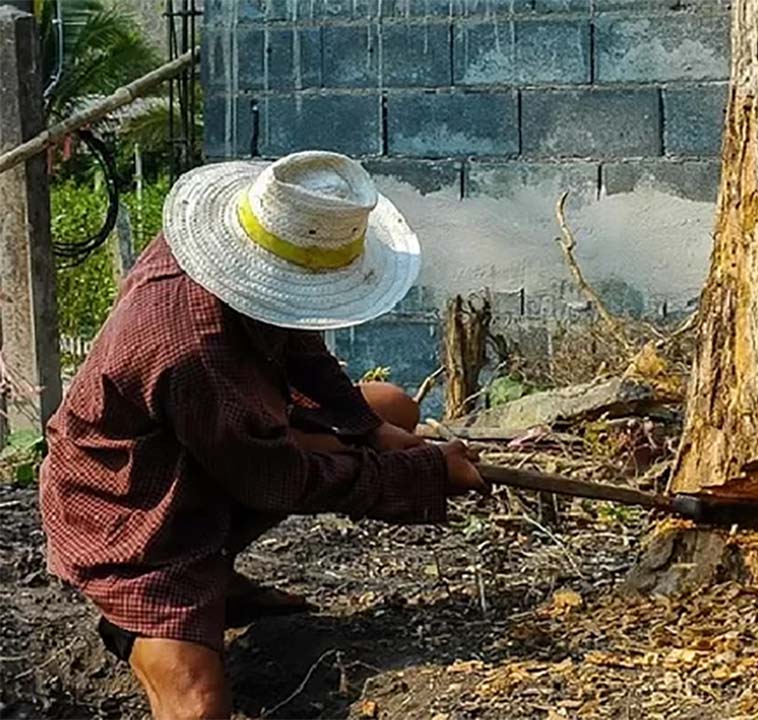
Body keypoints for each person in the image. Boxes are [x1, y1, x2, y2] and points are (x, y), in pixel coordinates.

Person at [39, 151, 488, 719]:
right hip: (132, 509)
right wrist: (425, 473)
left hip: (208, 446)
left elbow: (297, 339)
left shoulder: (231, 258)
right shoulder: (192, 350)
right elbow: (279, 479)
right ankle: (141, 619)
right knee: (199, 705)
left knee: (392, 408)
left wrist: (372, 432)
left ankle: (214, 579)